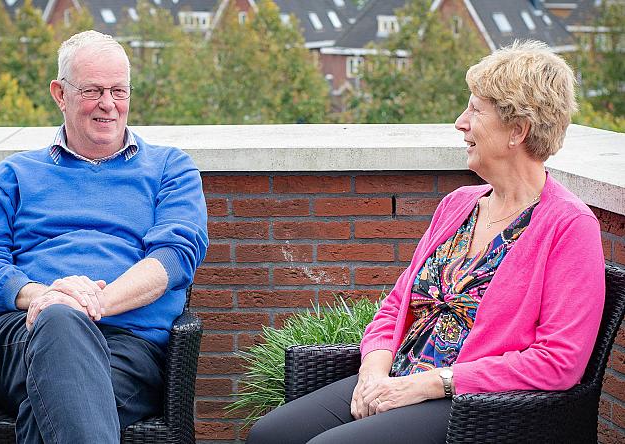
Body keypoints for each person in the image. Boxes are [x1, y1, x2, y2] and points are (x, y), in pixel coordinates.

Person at [247, 40, 605, 444]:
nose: (460, 122)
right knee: (270, 434)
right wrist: (373, 376)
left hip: (469, 404)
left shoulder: (569, 225)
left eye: (475, 110)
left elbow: (559, 361)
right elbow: (396, 306)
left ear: (517, 131)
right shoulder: (458, 205)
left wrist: (432, 384)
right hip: (397, 377)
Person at [0, 30, 208, 443]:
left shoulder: (171, 168)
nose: (108, 104)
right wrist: (43, 296)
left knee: (56, 404)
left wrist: (93, 303)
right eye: (93, 90)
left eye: (118, 90)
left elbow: (175, 256)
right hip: (25, 334)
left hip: (128, 345)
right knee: (60, 329)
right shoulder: (15, 174)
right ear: (60, 93)